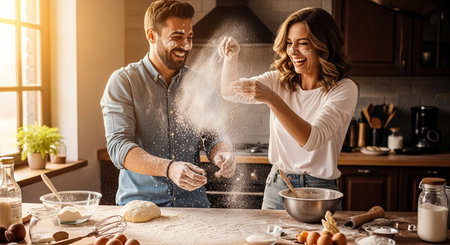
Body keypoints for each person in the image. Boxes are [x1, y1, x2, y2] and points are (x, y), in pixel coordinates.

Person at [217, 7, 358, 210]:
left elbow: (311, 140)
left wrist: (271, 98)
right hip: (277, 184)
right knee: (274, 242)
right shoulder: (279, 80)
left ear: (324, 45)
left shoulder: (343, 89)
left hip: (319, 190)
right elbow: (230, 93)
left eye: (303, 43)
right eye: (290, 43)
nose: (293, 50)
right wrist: (231, 59)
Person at [101, 0, 236, 207]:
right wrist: (169, 168)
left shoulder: (199, 83)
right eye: (177, 37)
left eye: (189, 37)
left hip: (194, 208)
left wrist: (222, 152)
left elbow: (212, 135)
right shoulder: (124, 82)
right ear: (151, 35)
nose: (186, 45)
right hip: (141, 208)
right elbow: (118, 146)